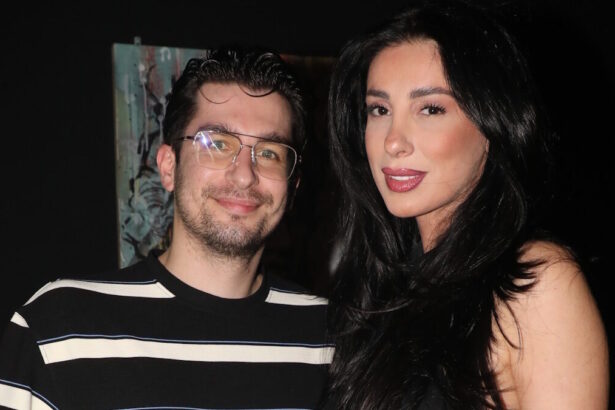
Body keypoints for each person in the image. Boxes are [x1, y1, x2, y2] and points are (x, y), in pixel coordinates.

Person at [0, 48, 333, 409]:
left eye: (269, 152)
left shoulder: (332, 338)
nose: (244, 175)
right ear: (168, 167)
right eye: (217, 144)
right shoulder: (57, 330)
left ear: (293, 184)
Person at [325, 1, 609, 409]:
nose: (393, 141)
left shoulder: (536, 282)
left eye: (430, 109)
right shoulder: (381, 288)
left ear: (492, 125)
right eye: (379, 109)